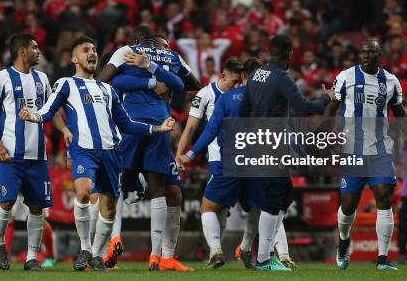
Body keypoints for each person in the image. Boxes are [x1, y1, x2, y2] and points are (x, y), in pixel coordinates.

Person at [19, 36, 175, 271]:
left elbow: (127, 124)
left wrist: (157, 128)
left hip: (112, 151)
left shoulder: (107, 89)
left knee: (109, 208)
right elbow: (50, 110)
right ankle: (85, 247)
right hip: (84, 150)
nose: (92, 53)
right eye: (85, 50)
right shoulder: (65, 84)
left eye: (93, 49)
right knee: (82, 193)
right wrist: (35, 116)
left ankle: (96, 255)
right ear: (74, 58)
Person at [325, 38, 407, 271]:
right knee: (349, 206)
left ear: (380, 55)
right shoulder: (346, 77)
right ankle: (343, 239)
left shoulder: (390, 81)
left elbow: (400, 115)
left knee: (384, 197)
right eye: (363, 52)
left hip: (381, 149)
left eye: (371, 52)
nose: (366, 56)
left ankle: (382, 259)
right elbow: (331, 110)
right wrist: (322, 135)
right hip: (352, 150)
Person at [102, 31, 198, 271]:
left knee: (118, 185)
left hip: (129, 125)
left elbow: (107, 81)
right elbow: (189, 84)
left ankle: (113, 240)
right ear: (158, 44)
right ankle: (156, 256)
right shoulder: (171, 56)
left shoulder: (126, 52)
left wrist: (147, 73)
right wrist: (155, 78)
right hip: (160, 124)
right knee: (159, 188)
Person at [239, 35, 332, 271]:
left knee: (285, 195)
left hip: (261, 141)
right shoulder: (282, 78)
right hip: (272, 143)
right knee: (273, 198)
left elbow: (243, 111)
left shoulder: (255, 75)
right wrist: (325, 99)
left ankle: (266, 254)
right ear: (290, 54)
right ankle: (263, 259)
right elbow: (303, 108)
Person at [0, 34, 69, 271]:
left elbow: (51, 111)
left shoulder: (42, 78)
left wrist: (64, 131)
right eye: (34, 47)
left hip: (38, 157)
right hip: (10, 155)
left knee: (37, 207)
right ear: (22, 51)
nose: (38, 50)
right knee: (8, 200)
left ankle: (32, 257)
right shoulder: (0, 78)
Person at [178, 58, 266, 269]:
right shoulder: (207, 94)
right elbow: (190, 128)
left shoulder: (230, 99)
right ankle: (237, 249)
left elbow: (210, 130)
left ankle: (216, 251)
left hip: (230, 159)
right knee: (240, 208)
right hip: (238, 159)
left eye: (239, 81)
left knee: (211, 207)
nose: (236, 86)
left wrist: (188, 155)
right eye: (233, 82)